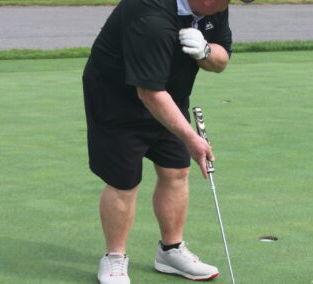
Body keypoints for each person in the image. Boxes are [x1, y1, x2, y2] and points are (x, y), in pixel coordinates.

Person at [82, 0, 252, 283]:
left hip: (169, 95)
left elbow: (221, 61)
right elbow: (148, 93)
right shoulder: (149, 16)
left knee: (176, 171)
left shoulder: (213, 7)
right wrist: (190, 138)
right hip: (116, 100)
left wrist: (205, 51)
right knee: (124, 181)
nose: (227, 4)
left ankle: (170, 252)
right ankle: (114, 258)